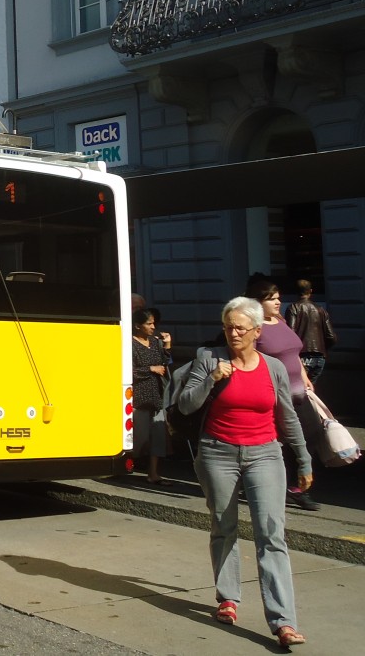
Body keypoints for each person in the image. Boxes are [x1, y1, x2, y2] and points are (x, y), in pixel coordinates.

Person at [179, 296, 311, 647]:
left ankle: (283, 621)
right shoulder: (209, 360)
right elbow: (185, 404)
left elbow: (287, 415)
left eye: (240, 327)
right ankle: (228, 598)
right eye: (228, 326)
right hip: (217, 454)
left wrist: (303, 458)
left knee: (272, 535)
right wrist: (212, 380)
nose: (233, 332)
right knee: (224, 526)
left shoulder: (273, 368)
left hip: (265, 455)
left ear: (256, 331)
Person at [246, 274, 317, 511]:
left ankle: (294, 485)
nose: (278, 303)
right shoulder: (254, 327)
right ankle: (287, 488)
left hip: (299, 391)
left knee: (312, 432)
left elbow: (293, 352)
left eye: (278, 298)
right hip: (276, 394)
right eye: (272, 299)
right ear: (257, 302)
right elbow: (250, 359)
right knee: (281, 442)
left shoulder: (280, 321)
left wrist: (305, 377)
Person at [130, 309, 171, 484]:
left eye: (154, 323)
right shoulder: (129, 344)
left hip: (157, 395)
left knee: (158, 437)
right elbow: (126, 372)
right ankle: (127, 463)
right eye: (149, 323)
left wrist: (167, 346)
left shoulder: (155, 342)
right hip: (139, 397)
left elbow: (164, 363)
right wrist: (150, 370)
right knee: (141, 437)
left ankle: (153, 473)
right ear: (138, 325)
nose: (153, 327)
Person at [285, 280, 335, 386]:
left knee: (299, 390)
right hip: (320, 357)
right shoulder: (321, 310)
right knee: (309, 390)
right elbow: (331, 337)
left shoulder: (293, 308)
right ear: (310, 291)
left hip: (302, 356)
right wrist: (323, 349)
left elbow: (290, 333)